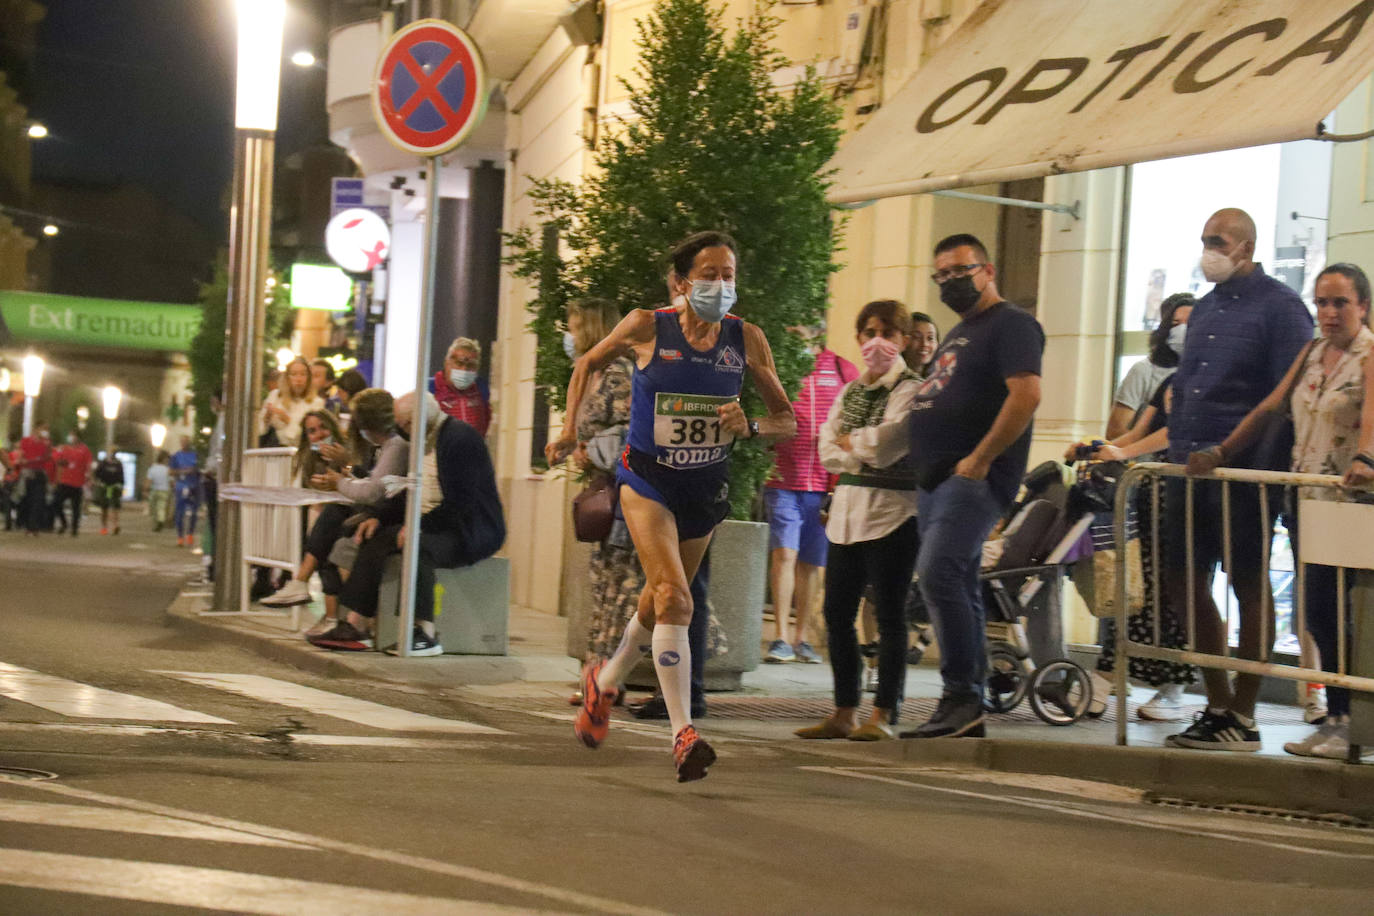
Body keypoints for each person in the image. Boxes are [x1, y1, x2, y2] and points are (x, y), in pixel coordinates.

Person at [546, 230, 797, 782]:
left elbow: (787, 420)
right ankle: (684, 734)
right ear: (682, 283)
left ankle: (606, 682)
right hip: (648, 481)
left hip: (705, 487)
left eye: (728, 275)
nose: (720, 285)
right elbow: (586, 363)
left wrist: (749, 424)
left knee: (658, 601)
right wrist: (568, 429)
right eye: (708, 274)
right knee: (676, 599)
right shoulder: (645, 325)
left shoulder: (746, 338)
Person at [1189, 263, 1373, 759]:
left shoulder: (1370, 354)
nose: (1330, 313)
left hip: (1353, 505)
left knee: (1347, 615)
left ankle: (1354, 725)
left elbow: (1373, 418)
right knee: (1317, 615)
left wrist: (1365, 458)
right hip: (1308, 501)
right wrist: (1222, 452)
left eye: (1340, 303)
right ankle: (1336, 718)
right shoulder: (1313, 352)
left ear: (1363, 306)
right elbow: (1270, 407)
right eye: (1322, 302)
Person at [1158, 207, 1313, 752]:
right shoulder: (1201, 310)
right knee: (1181, 578)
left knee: (1249, 581)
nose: (1209, 250)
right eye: (1204, 240)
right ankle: (1217, 702)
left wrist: (1236, 454)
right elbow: (1188, 383)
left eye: (1218, 241)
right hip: (1186, 464)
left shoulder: (1282, 308)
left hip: (1242, 470)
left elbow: (1286, 398)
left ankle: (1244, 714)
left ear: (1246, 246)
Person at [903, 233, 1045, 740]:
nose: (950, 282)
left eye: (960, 271)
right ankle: (968, 705)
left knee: (938, 573)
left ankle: (962, 695)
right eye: (941, 275)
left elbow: (1026, 394)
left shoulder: (1012, 324)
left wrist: (981, 458)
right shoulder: (961, 332)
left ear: (987, 270)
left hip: (973, 479)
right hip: (939, 481)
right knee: (957, 582)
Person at [796, 300, 920, 741]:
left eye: (886, 332)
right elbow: (826, 447)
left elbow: (887, 444)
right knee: (836, 613)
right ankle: (844, 709)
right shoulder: (850, 391)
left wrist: (855, 444)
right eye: (868, 332)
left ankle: (883, 712)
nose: (876, 341)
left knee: (889, 615)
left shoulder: (911, 388)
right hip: (847, 512)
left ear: (904, 339)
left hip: (893, 514)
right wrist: (857, 445)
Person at [1068, 296, 1196, 721]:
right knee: (1132, 588)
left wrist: (1121, 454)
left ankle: (1172, 686)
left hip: (1180, 502)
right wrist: (1095, 448)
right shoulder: (1163, 381)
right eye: (1177, 324)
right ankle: (1109, 674)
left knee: (1172, 591)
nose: (1183, 333)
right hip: (1146, 499)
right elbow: (1135, 433)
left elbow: (1169, 436)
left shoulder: (1202, 383)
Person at [308, 391, 506, 656]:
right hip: (437, 521)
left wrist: (416, 527)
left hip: (469, 529)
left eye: (403, 425)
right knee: (375, 537)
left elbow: (461, 503)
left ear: (417, 421)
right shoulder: (425, 440)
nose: (400, 432)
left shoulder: (459, 439)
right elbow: (412, 493)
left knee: (418, 547)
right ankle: (356, 626)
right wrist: (380, 518)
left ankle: (423, 632)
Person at [264, 397, 401, 641]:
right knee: (331, 542)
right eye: (312, 432)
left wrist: (344, 468)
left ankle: (309, 590)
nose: (318, 435)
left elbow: (372, 489)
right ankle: (333, 615)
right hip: (366, 511)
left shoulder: (388, 445)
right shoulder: (311, 458)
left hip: (377, 512)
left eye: (322, 428)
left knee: (336, 526)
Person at [763, 325, 857, 664]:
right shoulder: (781, 367)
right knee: (784, 555)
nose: (795, 331)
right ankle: (780, 638)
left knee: (811, 564)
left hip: (824, 483)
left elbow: (852, 422)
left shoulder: (841, 369)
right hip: (782, 478)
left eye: (802, 325)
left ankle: (803, 638)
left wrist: (841, 479)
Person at [1105, 293, 1195, 439]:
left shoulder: (1206, 374)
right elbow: (1117, 431)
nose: (1182, 330)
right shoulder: (1146, 372)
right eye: (1175, 323)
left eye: (1189, 323)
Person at [430, 337, 492, 436]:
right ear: (447, 363)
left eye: (471, 365)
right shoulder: (430, 388)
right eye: (459, 363)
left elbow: (486, 422)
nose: (464, 369)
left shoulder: (481, 389)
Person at [259, 356, 323, 447]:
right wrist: (266, 418)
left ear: (309, 378)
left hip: (298, 451)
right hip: (272, 448)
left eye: (303, 374)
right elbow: (258, 430)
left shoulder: (316, 402)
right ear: (287, 378)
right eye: (294, 374)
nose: (299, 379)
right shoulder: (275, 396)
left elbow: (313, 439)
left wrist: (287, 420)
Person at [15, 421, 55, 536]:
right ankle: (28, 526)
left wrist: (47, 447)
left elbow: (47, 457)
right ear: (36, 429)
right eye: (43, 428)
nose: (45, 431)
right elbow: (21, 455)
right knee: (27, 500)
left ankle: (34, 526)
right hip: (28, 473)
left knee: (38, 501)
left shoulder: (46, 443)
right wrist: (22, 461)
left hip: (40, 473)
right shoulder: (26, 441)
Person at [53, 431, 93, 536]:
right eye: (70, 435)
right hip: (65, 481)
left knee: (76, 507)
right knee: (56, 503)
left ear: (78, 437)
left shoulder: (84, 450)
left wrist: (89, 477)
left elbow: (89, 464)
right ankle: (64, 523)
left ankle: (74, 529)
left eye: (73, 435)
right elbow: (58, 460)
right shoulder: (65, 448)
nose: (71, 437)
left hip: (77, 483)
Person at [169, 436, 201, 547]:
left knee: (193, 513)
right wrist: (184, 471)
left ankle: (190, 534)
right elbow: (171, 471)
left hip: (194, 487)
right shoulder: (176, 456)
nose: (184, 443)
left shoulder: (195, 455)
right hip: (181, 487)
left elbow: (199, 469)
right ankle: (180, 537)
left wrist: (195, 471)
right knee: (180, 513)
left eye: (186, 442)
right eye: (182, 441)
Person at [94, 450, 125, 535]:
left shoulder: (118, 464)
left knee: (115, 507)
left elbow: (121, 477)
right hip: (105, 487)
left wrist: (120, 486)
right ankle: (104, 527)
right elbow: (97, 474)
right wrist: (99, 483)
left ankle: (115, 525)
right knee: (104, 508)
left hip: (115, 488)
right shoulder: (103, 463)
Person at [145, 450, 172, 532]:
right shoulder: (168, 470)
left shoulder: (152, 469)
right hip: (165, 490)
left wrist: (146, 489)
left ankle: (156, 522)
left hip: (154, 490)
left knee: (154, 508)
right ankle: (161, 520)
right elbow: (171, 482)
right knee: (162, 507)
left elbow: (148, 481)